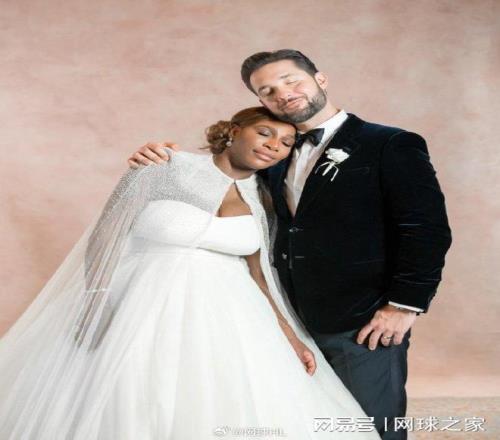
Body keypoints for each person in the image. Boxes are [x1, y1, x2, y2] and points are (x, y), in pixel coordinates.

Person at [0, 106, 381, 439]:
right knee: (129, 390)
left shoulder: (264, 197)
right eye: (264, 133)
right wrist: (95, 301)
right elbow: (106, 235)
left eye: (285, 142)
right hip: (140, 304)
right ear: (233, 131)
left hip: (229, 316)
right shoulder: (162, 166)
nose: (273, 146)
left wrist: (290, 337)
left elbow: (260, 274)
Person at [128, 50, 453, 439]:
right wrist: (158, 155)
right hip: (284, 314)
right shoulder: (272, 154)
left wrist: (403, 306)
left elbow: (425, 228)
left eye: (291, 80)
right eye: (267, 90)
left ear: (321, 79)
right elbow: (223, 175)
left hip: (360, 317)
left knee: (370, 427)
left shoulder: (389, 143)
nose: (282, 93)